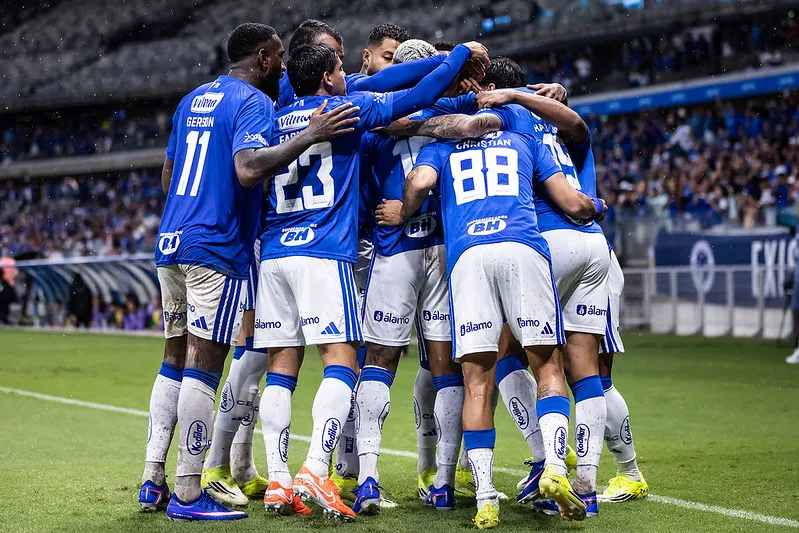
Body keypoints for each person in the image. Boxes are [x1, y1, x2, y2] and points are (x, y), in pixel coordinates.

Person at [255, 41, 485, 520]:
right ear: (326, 78)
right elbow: (417, 94)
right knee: (345, 363)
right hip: (325, 252)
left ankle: (278, 479)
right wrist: (458, 58)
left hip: (276, 255)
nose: (347, 75)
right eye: (340, 68)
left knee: (281, 369)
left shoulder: (271, 120)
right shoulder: (347, 109)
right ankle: (318, 468)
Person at [139, 22, 359, 522]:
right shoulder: (254, 101)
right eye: (278, 56)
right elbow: (248, 169)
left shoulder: (191, 99)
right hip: (215, 247)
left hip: (171, 241)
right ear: (261, 57)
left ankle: (153, 479)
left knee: (172, 358)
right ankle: (189, 493)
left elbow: (169, 175)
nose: (282, 66)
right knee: (203, 365)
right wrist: (310, 134)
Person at [375, 128, 604, 528]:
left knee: (476, 380)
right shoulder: (523, 138)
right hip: (521, 247)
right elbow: (569, 199)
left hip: (469, 256)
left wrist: (406, 210)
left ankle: (484, 498)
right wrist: (596, 206)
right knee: (547, 366)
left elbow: (420, 181)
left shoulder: (440, 145)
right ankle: (554, 466)